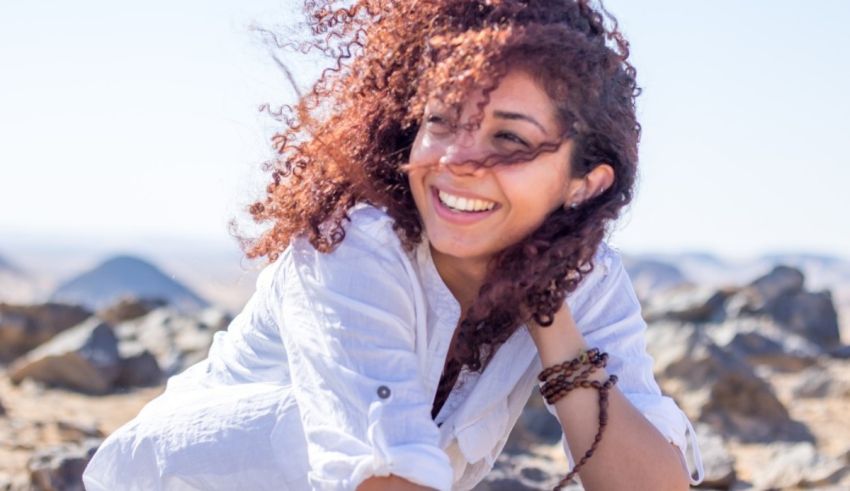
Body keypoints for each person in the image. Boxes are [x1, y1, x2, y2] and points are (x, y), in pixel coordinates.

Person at [83, 0, 705, 489]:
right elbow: (386, 479)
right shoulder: (353, 246)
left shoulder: (584, 276)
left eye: (510, 140)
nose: (458, 161)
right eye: (441, 122)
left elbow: (654, 485)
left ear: (582, 184)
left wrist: (554, 326)